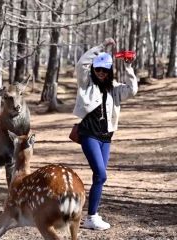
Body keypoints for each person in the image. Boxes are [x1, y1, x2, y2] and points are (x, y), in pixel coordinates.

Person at [73, 38, 138, 230]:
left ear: (109, 71)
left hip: (106, 137)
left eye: (104, 70)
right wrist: (101, 47)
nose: (100, 73)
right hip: (88, 134)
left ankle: (92, 216)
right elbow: (81, 63)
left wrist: (128, 68)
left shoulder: (115, 89)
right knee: (101, 174)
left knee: (98, 177)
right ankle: (91, 216)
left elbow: (132, 90)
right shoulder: (86, 83)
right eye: (98, 69)